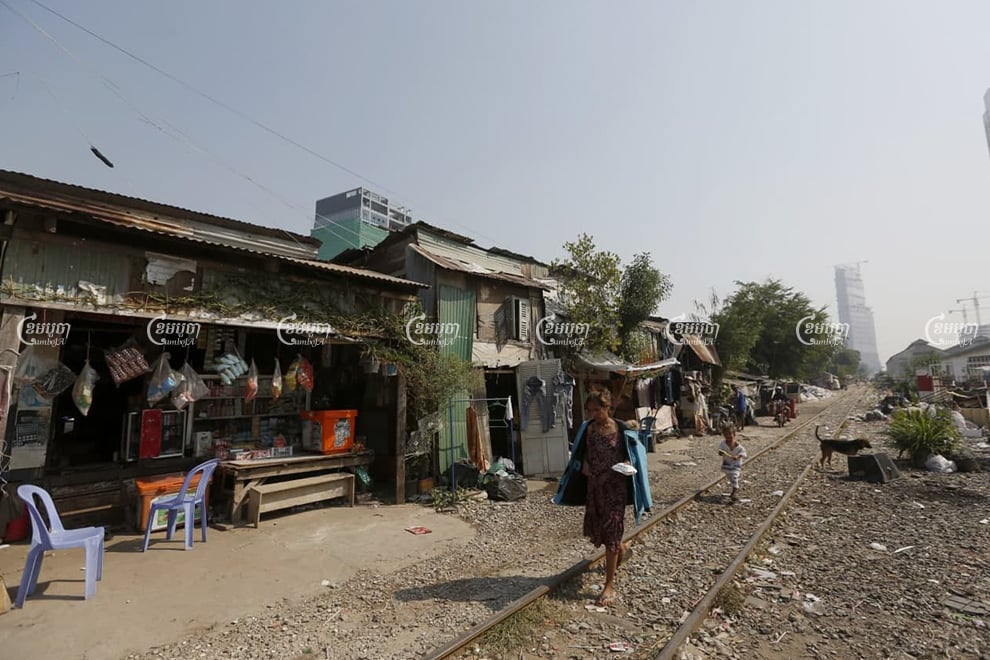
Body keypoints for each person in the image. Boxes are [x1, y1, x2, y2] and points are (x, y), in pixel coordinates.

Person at [553, 389, 652, 607]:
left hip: (616, 489)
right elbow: (582, 453)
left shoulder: (621, 429)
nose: (593, 414)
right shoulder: (588, 429)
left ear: (608, 408)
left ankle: (609, 585)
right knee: (602, 531)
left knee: (612, 529)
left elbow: (634, 453)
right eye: (590, 410)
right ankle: (622, 549)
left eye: (597, 409)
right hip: (595, 488)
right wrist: (586, 464)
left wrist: (628, 462)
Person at [718, 424, 747, 501]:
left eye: (730, 434)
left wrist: (737, 457)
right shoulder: (723, 444)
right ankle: (733, 489)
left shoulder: (738, 445)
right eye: (726, 434)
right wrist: (721, 453)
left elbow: (743, 453)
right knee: (729, 476)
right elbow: (720, 451)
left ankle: (734, 492)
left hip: (735, 465)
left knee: (734, 477)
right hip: (727, 465)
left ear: (734, 434)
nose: (728, 436)